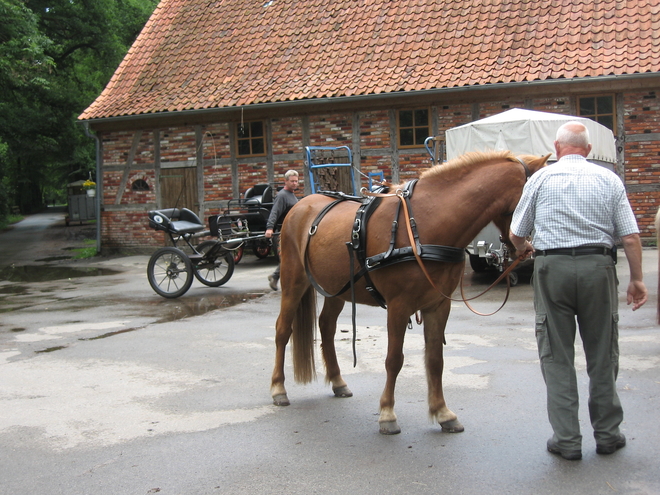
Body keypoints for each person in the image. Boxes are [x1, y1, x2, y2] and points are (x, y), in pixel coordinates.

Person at [509, 121, 648, 461]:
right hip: (597, 269)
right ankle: (608, 435)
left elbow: (516, 232)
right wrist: (637, 279)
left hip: (551, 268)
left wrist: (524, 247)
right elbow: (629, 236)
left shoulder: (540, 179)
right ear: (587, 150)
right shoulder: (608, 179)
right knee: (602, 353)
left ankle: (567, 440)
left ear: (557, 149)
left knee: (556, 356)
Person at [265, 170, 299, 290]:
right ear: (286, 181)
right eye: (292, 181)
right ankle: (275, 278)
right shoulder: (282, 195)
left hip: (292, 232)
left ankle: (275, 276)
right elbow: (274, 213)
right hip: (282, 232)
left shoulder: (292, 195)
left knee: (290, 257)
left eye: (296, 181)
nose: (294, 183)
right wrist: (269, 228)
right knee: (287, 258)